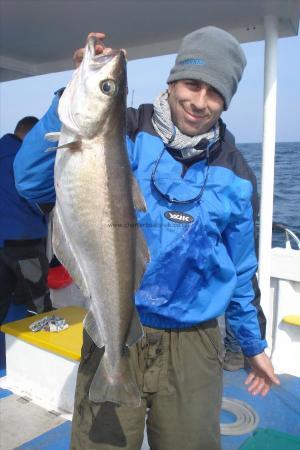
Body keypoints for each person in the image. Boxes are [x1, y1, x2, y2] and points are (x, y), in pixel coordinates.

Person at [14, 28, 280, 450]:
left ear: (226, 101)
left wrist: (252, 345)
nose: (199, 101)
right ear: (172, 82)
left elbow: (242, 271)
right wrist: (72, 94)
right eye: (192, 84)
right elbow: (29, 181)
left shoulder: (238, 177)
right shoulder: (122, 131)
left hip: (194, 346)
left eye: (214, 92)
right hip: (115, 322)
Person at [0, 116, 53, 324]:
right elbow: (37, 200)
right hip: (25, 241)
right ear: (30, 136)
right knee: (38, 304)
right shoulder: (25, 158)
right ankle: (42, 350)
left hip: (3, 242)